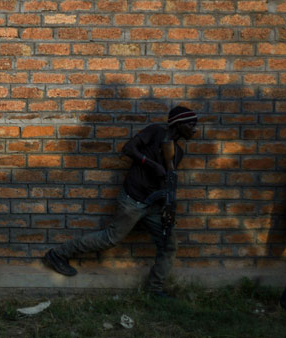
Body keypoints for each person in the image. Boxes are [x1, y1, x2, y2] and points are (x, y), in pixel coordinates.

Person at [43, 106, 199, 297]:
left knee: (169, 244)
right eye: (191, 124)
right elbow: (128, 148)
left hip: (153, 205)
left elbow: (163, 180)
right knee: (110, 238)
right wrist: (151, 164)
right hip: (132, 200)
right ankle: (58, 254)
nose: (194, 129)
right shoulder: (156, 132)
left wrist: (168, 200)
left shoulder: (178, 153)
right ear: (178, 124)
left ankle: (154, 289)